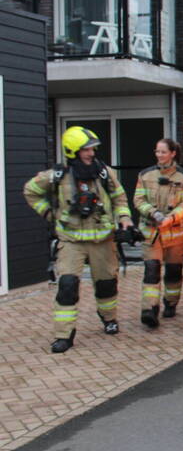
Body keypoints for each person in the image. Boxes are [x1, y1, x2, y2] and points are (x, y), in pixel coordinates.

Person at [23, 126, 133, 353]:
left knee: (106, 285)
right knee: (67, 286)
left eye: (93, 149)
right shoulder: (57, 175)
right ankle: (64, 335)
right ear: (72, 151)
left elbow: (119, 197)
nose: (91, 153)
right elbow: (30, 191)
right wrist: (49, 214)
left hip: (103, 240)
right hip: (71, 241)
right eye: (86, 150)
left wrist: (125, 219)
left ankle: (109, 318)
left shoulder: (104, 173)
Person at [133, 138, 183, 327]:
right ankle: (149, 309)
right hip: (152, 234)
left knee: (174, 272)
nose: (159, 155)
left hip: (175, 234)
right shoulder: (145, 175)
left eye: (163, 152)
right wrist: (154, 213)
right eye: (157, 152)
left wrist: (171, 218)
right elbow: (138, 199)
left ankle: (171, 303)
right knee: (151, 270)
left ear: (173, 153)